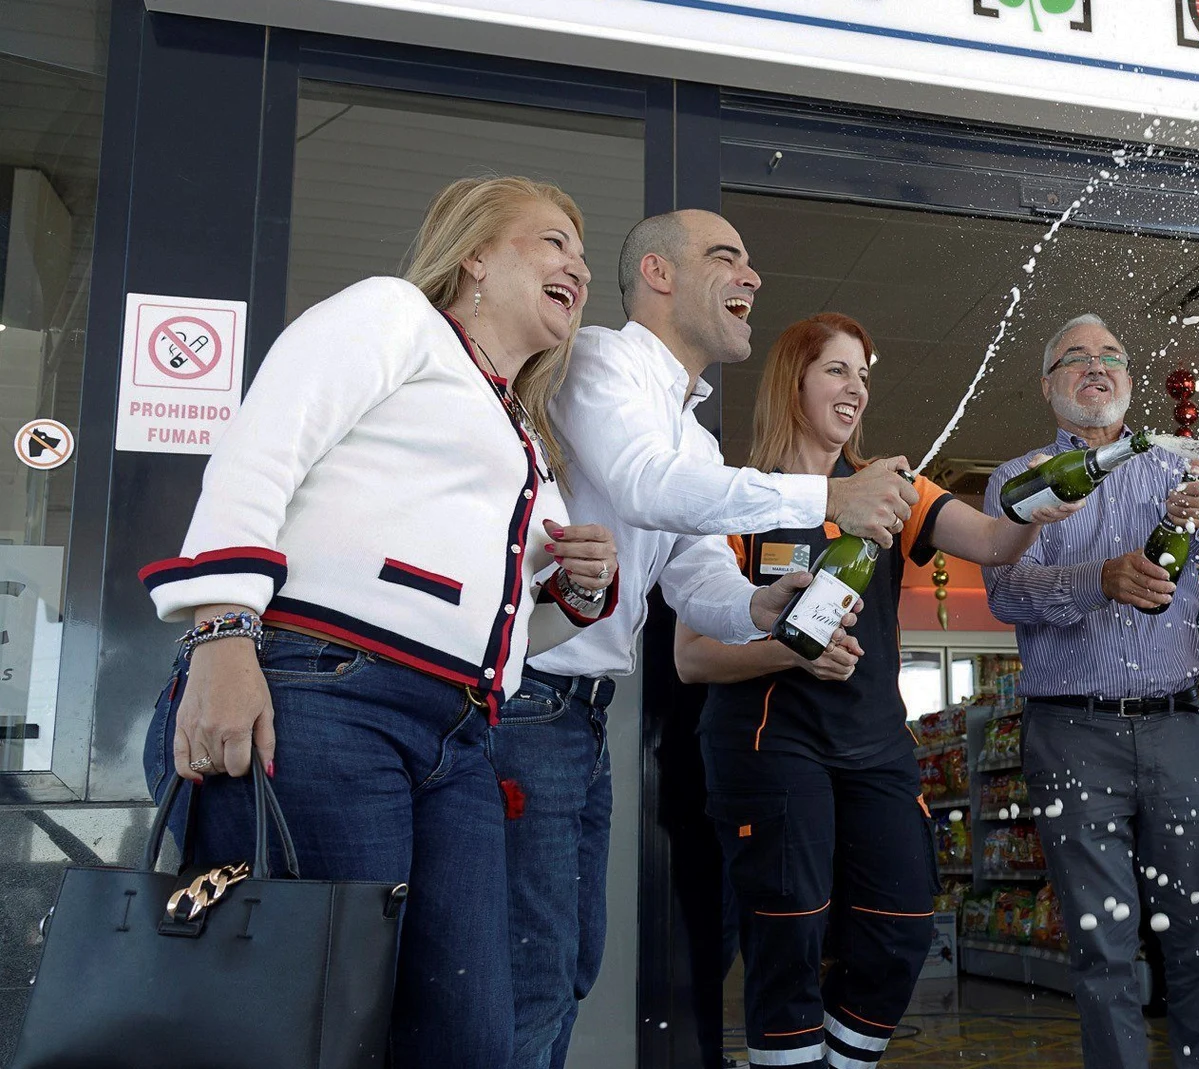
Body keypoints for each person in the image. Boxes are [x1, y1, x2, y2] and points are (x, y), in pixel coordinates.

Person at [139, 177, 618, 1066]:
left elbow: (502, 639)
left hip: (461, 732)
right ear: (474, 253)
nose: (579, 268)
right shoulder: (395, 316)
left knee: (463, 1035)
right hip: (325, 697)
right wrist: (222, 633)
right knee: (320, 1022)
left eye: (584, 255)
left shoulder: (520, 429)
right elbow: (260, 448)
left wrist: (574, 595)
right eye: (554, 242)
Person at [492, 210, 911, 1069]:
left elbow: (694, 578)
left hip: (578, 714)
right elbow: (653, 488)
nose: (752, 275)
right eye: (728, 256)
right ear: (658, 273)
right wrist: (822, 501)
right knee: (536, 968)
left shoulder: (685, 426)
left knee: (568, 960)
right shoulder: (604, 359)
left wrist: (767, 607)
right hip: (529, 701)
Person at [674, 312, 1079, 1069]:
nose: (856, 388)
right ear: (792, 379)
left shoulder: (899, 491)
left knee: (902, 922)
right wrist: (791, 655)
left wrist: (1032, 517)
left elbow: (992, 541)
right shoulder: (737, 499)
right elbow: (692, 657)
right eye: (837, 370)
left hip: (873, 747)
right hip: (769, 745)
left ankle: (838, 1061)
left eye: (864, 373)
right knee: (789, 932)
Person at [982, 313, 1199, 1069]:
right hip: (1072, 733)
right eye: (1075, 358)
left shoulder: (1174, 464)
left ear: (1129, 382)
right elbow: (1006, 592)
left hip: (1182, 729)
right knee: (1103, 950)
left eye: (1112, 357)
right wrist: (1096, 579)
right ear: (1048, 385)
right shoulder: (1019, 478)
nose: (1096, 366)